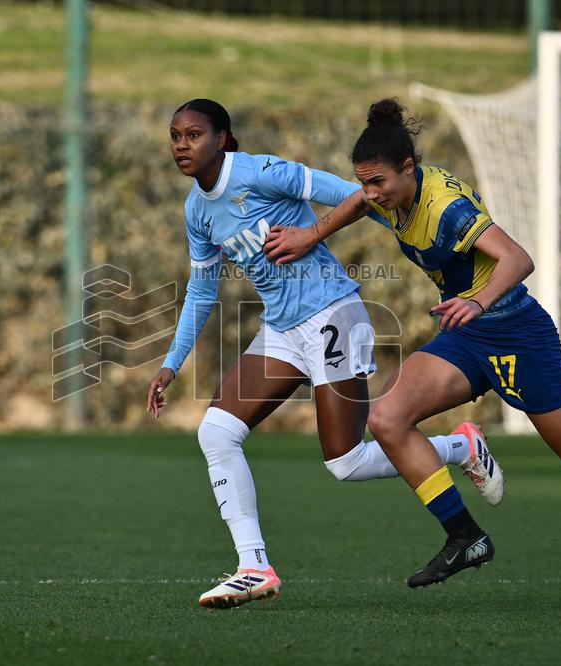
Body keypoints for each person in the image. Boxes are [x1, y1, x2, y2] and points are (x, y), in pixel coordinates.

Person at [262, 98, 561, 612]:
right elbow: (359, 204)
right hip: (465, 335)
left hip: (516, 332)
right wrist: (311, 234)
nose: (370, 194)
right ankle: (465, 536)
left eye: (378, 182)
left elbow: (519, 258)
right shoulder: (388, 195)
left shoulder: (447, 208)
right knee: (387, 418)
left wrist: (477, 300)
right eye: (364, 182)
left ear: (409, 168)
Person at [145, 99, 505, 609]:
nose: (182, 145)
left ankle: (460, 448)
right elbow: (203, 292)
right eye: (176, 136)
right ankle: (254, 566)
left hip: (333, 314)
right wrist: (170, 363)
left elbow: (354, 195)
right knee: (217, 431)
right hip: (282, 330)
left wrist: (412, 234)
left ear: (223, 138)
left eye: (194, 134)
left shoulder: (261, 171)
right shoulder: (195, 209)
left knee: (346, 461)